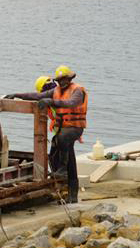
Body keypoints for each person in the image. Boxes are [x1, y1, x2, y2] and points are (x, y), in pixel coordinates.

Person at [5, 66, 87, 203]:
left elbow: (72, 103)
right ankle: (72, 195)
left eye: (64, 79)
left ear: (70, 78)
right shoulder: (56, 91)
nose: (62, 82)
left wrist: (51, 101)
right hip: (63, 128)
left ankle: (62, 171)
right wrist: (17, 95)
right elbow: (37, 96)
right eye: (60, 80)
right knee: (67, 158)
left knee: (61, 139)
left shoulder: (77, 90)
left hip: (75, 127)